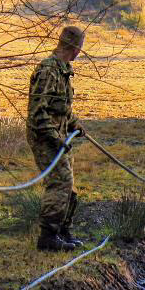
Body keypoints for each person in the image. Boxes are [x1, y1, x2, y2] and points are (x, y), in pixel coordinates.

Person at [27, 25, 85, 252]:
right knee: (59, 181)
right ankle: (48, 237)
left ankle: (62, 231)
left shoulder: (63, 70)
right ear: (76, 48)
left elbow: (60, 108)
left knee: (68, 183)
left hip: (60, 136)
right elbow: (37, 112)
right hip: (44, 138)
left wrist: (75, 124)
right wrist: (54, 138)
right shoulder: (49, 70)